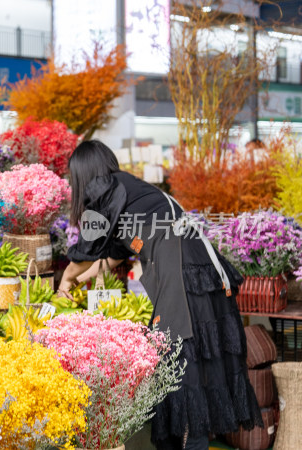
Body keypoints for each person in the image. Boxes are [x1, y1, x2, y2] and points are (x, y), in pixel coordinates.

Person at [58, 140, 262, 450]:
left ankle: (193, 443)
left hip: (182, 273)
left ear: (83, 174)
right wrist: (82, 278)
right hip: (200, 268)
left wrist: (64, 283)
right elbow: (109, 255)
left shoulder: (105, 188)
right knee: (186, 365)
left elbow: (84, 251)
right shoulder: (127, 189)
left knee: (177, 364)